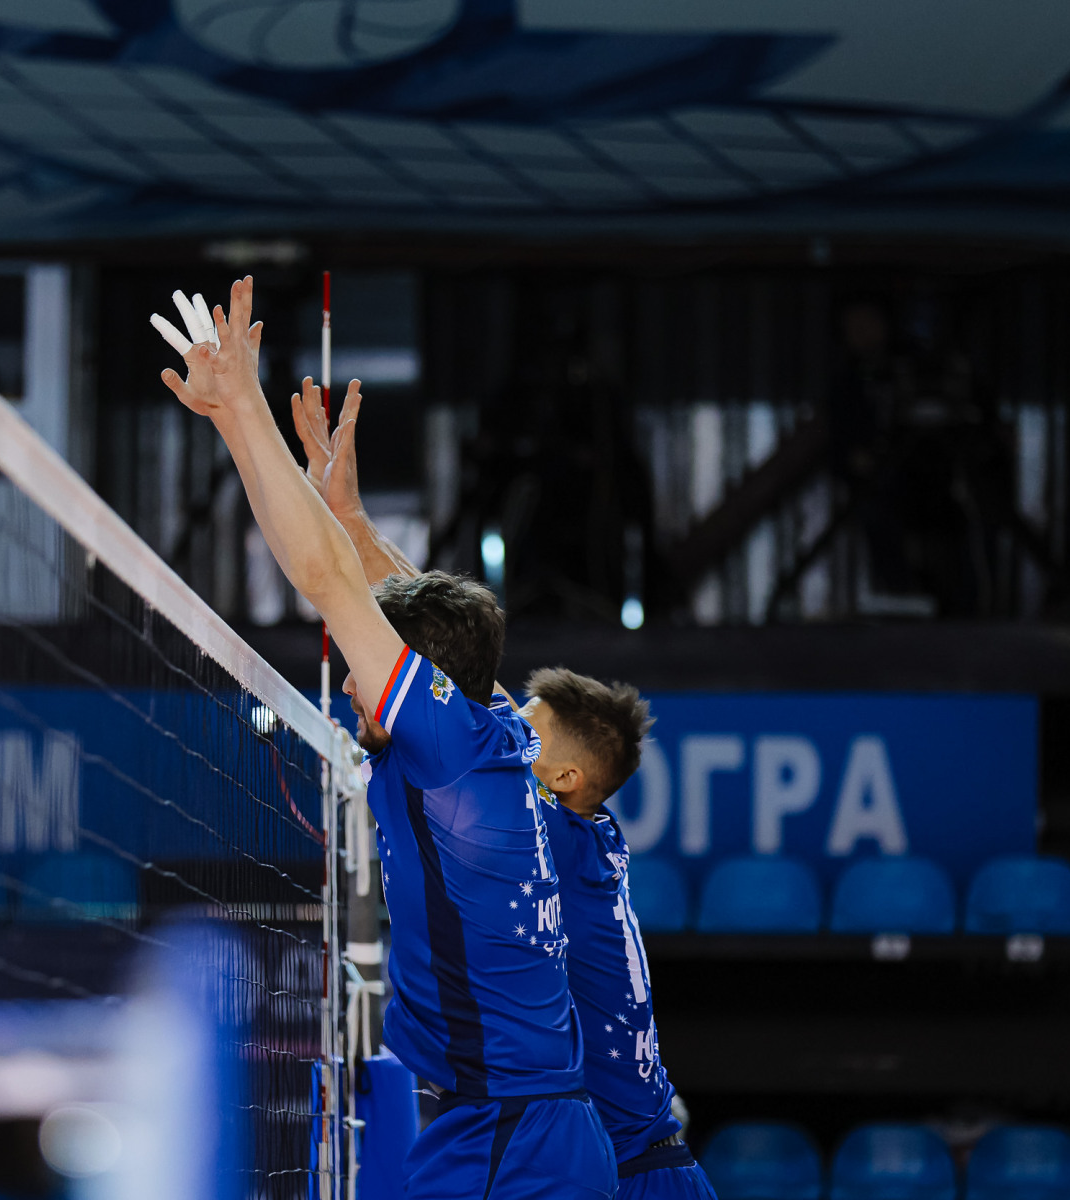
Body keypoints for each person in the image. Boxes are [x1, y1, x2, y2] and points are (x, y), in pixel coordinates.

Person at [163, 279, 615, 1199]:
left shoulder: (448, 747)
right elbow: (402, 605)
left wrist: (243, 410)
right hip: (535, 1129)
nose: (355, 681)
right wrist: (351, 518)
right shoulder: (496, 732)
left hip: (509, 1139)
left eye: (374, 665)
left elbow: (329, 584)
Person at [523, 671, 717, 1198]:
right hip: (642, 1168)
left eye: (525, 732)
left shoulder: (557, 840)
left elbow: (467, 710)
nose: (509, 737)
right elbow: (478, 689)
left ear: (566, 777)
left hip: (638, 1178)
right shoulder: (592, 830)